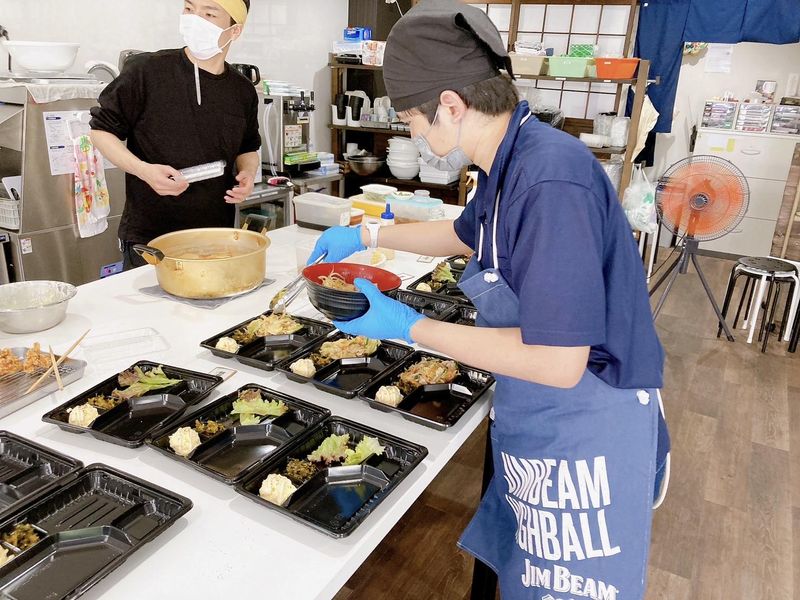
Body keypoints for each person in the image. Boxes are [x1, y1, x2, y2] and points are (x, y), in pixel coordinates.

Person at [308, 0, 670, 598]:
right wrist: (368, 234)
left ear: (451, 104)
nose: (413, 132)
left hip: (588, 418)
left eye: (413, 118)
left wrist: (409, 327)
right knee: (523, 572)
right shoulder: (510, 155)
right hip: (540, 409)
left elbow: (560, 362)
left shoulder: (550, 180)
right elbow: (462, 232)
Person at [90, 0, 261, 269]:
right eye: (190, 9)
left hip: (215, 236)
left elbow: (247, 147)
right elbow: (101, 131)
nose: (195, 19)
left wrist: (248, 173)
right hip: (150, 240)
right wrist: (144, 170)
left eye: (209, 13)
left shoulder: (242, 91)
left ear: (235, 30)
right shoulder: (146, 70)